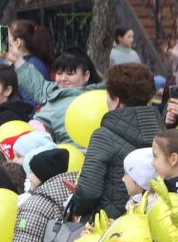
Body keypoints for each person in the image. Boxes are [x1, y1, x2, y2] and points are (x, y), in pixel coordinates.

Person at [69, 63, 162, 221]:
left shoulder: (104, 136)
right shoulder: (163, 134)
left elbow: (88, 191)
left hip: (105, 227)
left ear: (116, 100)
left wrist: (75, 207)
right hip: (150, 224)